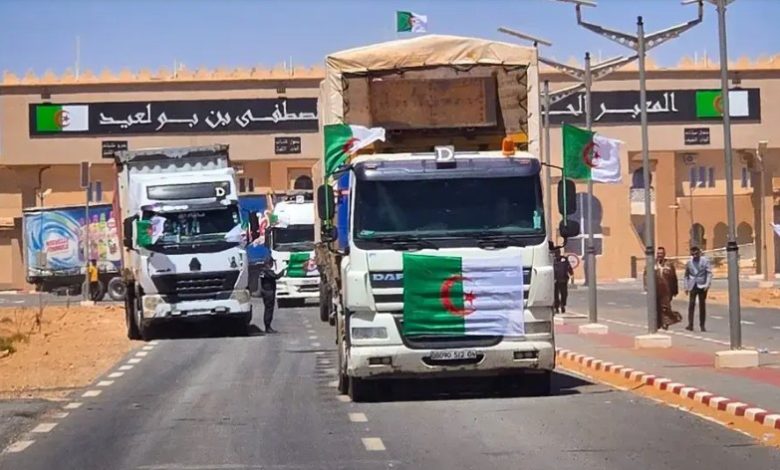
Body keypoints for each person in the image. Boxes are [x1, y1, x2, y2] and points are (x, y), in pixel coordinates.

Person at [649, 247, 682, 330]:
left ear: (664, 254)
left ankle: (666, 322)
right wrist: (647, 288)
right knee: (656, 307)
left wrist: (675, 290)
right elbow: (646, 275)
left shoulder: (669, 265)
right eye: (658, 253)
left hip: (666, 290)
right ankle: (658, 323)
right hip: (655, 290)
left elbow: (674, 278)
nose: (660, 255)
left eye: (661, 253)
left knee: (665, 307)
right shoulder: (652, 264)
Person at [684, 246, 712, 332]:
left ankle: (702, 325)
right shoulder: (689, 262)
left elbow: (709, 273)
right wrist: (686, 286)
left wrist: (707, 284)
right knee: (691, 305)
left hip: (702, 285)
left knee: (702, 306)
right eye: (693, 254)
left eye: (696, 254)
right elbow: (686, 275)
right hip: (693, 285)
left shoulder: (705, 261)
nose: (695, 256)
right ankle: (690, 324)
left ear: (699, 253)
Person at [259, 257, 286, 334]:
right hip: (269, 292)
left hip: (265, 291)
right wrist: (283, 271)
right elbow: (275, 276)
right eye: (271, 263)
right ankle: (268, 327)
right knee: (269, 309)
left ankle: (267, 326)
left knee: (267, 309)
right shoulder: (267, 271)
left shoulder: (262, 271)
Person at [553, 250, 574, 314]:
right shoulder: (552, 260)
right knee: (555, 295)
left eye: (558, 253)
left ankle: (563, 305)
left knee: (564, 294)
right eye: (556, 253)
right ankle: (556, 307)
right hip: (554, 280)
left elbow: (569, 267)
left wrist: (571, 274)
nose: (557, 254)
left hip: (563, 279)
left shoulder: (564, 259)